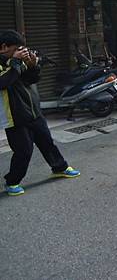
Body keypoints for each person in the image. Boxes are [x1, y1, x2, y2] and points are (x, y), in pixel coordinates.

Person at [0, 30, 80, 197]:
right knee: (24, 150)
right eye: (17, 48)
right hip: (14, 115)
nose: (21, 51)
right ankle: (12, 181)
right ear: (3, 47)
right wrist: (15, 62)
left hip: (33, 110)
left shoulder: (16, 61)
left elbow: (31, 80)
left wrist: (32, 65)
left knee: (47, 142)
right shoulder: (7, 63)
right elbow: (4, 82)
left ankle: (60, 167)